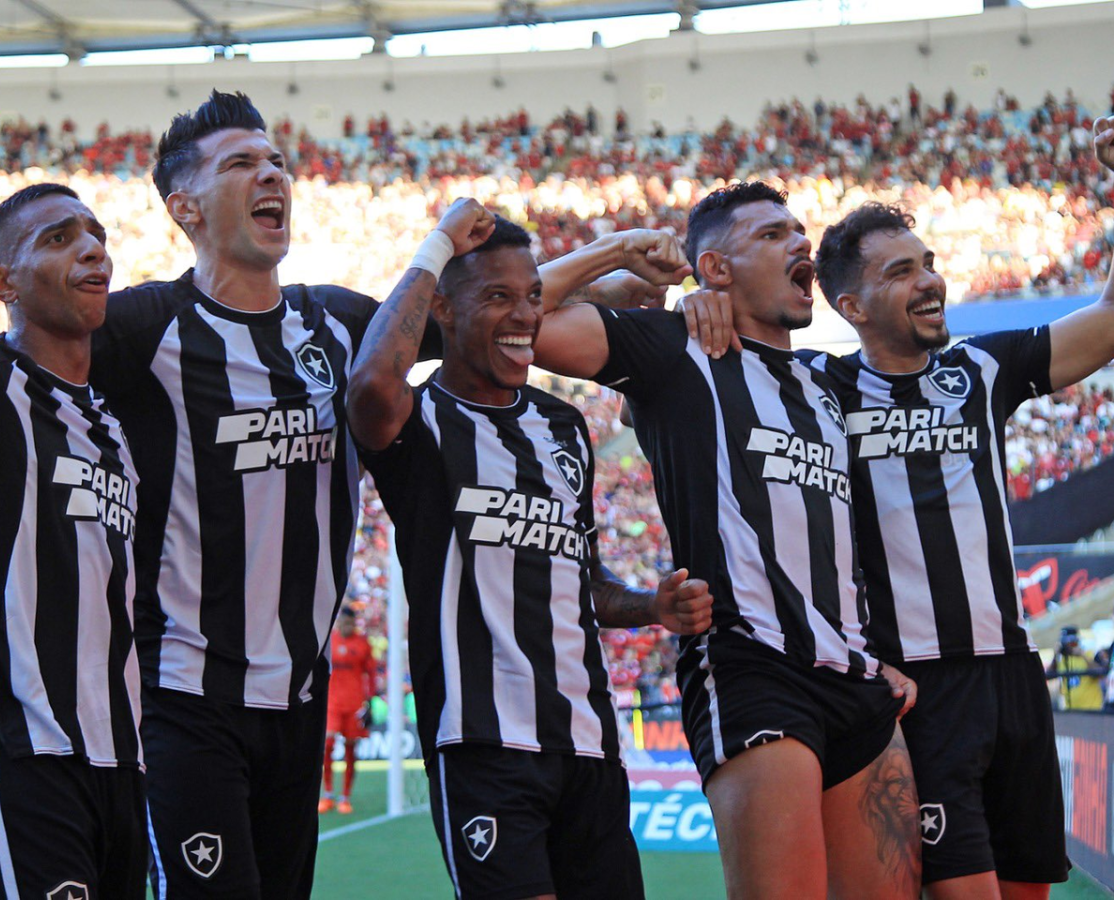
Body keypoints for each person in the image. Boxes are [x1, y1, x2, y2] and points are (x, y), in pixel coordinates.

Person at [88, 89, 690, 897]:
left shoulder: (332, 324)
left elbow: (484, 310)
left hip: (298, 698)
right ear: (184, 207)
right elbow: (4, 358)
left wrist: (610, 255)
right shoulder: (144, 328)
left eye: (275, 160)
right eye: (241, 164)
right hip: (184, 693)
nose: (272, 174)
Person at [530, 181, 922, 899]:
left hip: (858, 680)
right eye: (772, 235)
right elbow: (517, 318)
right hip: (753, 671)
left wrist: (879, 654)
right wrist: (626, 262)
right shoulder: (677, 352)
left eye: (799, 230)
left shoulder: (828, 384)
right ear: (715, 268)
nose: (801, 242)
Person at [346, 199, 715, 899]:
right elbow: (368, 385)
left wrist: (651, 606)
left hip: (590, 749)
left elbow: (587, 584)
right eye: (496, 298)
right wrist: (435, 247)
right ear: (444, 313)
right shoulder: (418, 420)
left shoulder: (563, 427)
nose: (523, 317)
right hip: (483, 745)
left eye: (533, 300)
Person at [805, 115, 1114, 897]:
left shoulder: (983, 368)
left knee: (1027, 888)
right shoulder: (817, 390)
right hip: (916, 686)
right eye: (901, 272)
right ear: (851, 305)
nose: (930, 281)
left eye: (929, 264)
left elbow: (1109, 323)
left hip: (1012, 675)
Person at [0, 103, 146, 897]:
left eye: (96, 236)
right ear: (1, 283)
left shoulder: (112, 422)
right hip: (5, 742)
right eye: (58, 239)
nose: (91, 249)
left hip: (115, 760)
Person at [320, 608, 378, 814]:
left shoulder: (362, 643)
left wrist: (370, 702)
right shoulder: (329, 641)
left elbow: (371, 675)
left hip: (354, 704)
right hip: (332, 704)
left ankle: (345, 797)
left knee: (350, 748)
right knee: (326, 744)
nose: (346, 626)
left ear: (353, 623)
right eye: (343, 622)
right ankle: (327, 794)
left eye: (349, 623)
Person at [1046, 627, 1104, 711]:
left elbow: (1100, 673)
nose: (1068, 646)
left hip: (1092, 709)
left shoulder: (1088, 654)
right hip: (1072, 711)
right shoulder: (1062, 660)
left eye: (1071, 643)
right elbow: (1048, 676)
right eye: (1065, 644)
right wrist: (1055, 656)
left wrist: (1082, 656)